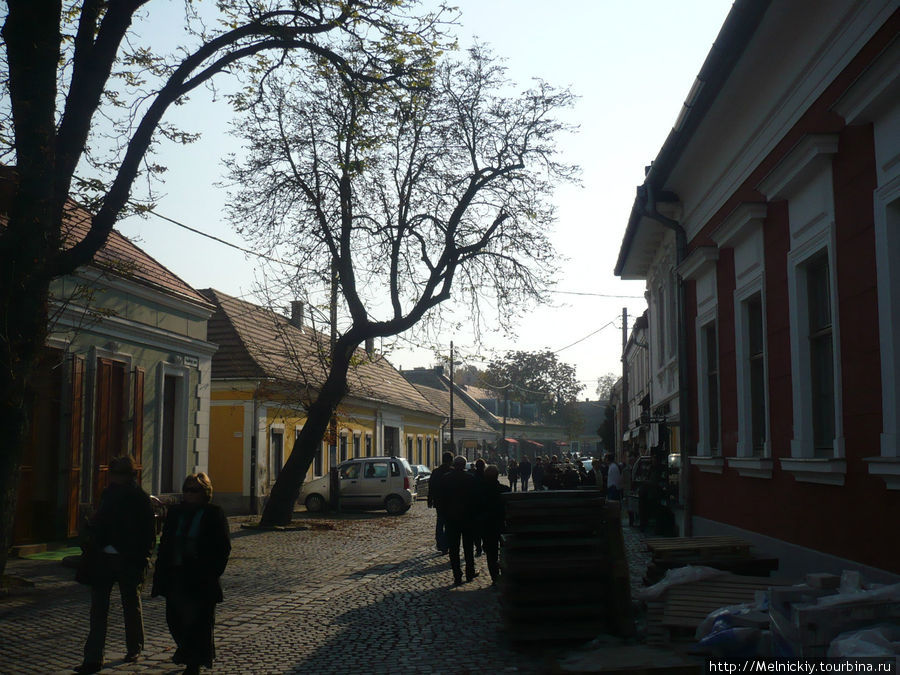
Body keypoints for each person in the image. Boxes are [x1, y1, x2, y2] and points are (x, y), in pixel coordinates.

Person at [75, 455, 156, 674]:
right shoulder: (108, 494)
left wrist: (140, 560)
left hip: (127, 560)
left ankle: (133, 647)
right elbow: (101, 522)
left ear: (130, 475)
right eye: (114, 473)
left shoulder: (139, 498)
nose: (115, 478)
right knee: (100, 609)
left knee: (129, 605)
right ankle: (93, 658)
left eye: (119, 474)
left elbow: (148, 535)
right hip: (104, 558)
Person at [152, 473, 231, 675]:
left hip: (200, 577)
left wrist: (212, 572)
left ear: (205, 493)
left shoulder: (214, 514)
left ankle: (193, 663)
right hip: (176, 575)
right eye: (186, 489)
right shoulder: (176, 513)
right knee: (174, 619)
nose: (188, 494)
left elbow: (223, 547)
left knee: (197, 622)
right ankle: (186, 650)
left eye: (193, 490)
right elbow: (167, 542)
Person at [441, 455, 478, 585]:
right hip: (467, 518)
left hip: (451, 518)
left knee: (454, 548)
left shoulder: (446, 478)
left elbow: (442, 500)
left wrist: (444, 514)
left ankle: (457, 575)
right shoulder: (470, 478)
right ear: (464, 465)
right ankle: (470, 572)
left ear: (454, 465)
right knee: (468, 547)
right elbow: (475, 500)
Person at [476, 465, 510, 584]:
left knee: (491, 553)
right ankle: (505, 573)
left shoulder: (480, 491)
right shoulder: (505, 489)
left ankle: (494, 576)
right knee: (505, 549)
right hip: (502, 524)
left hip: (487, 525)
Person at [427, 452, 454, 554]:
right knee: (449, 524)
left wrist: (429, 499)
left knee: (440, 523)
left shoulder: (436, 472)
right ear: (451, 461)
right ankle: (446, 545)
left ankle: (440, 544)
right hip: (450, 502)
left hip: (439, 501)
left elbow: (431, 487)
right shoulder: (452, 471)